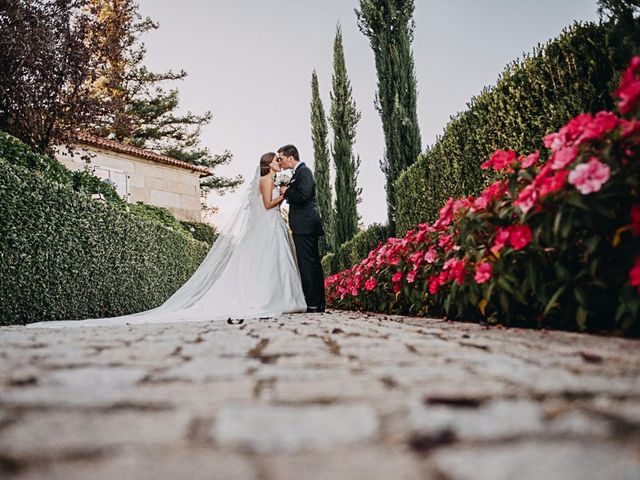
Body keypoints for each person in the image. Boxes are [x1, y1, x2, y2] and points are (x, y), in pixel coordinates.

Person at [29, 152, 307, 327]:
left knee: (270, 264)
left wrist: (283, 189)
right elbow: (269, 205)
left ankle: (278, 296)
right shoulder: (266, 180)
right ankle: (271, 299)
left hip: (270, 227)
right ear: (268, 164)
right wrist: (285, 193)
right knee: (268, 263)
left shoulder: (269, 178)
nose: (278, 163)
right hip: (269, 224)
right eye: (275, 160)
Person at [277, 144, 326, 313]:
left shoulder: (304, 172)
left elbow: (304, 196)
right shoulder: (298, 173)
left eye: (281, 159)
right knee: (309, 264)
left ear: (291, 158)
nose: (280, 162)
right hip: (304, 225)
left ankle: (314, 303)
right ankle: (316, 303)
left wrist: (286, 191)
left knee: (308, 265)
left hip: (305, 225)